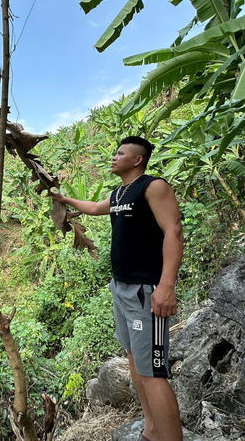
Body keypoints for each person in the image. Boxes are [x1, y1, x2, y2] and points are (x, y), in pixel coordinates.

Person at [50, 136, 183, 441]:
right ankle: (151, 429)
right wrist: (67, 201)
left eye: (120, 153)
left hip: (146, 291)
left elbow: (173, 231)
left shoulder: (153, 186)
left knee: (153, 372)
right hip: (121, 289)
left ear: (137, 159)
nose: (113, 157)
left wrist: (166, 287)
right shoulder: (121, 193)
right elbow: (96, 207)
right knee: (136, 363)